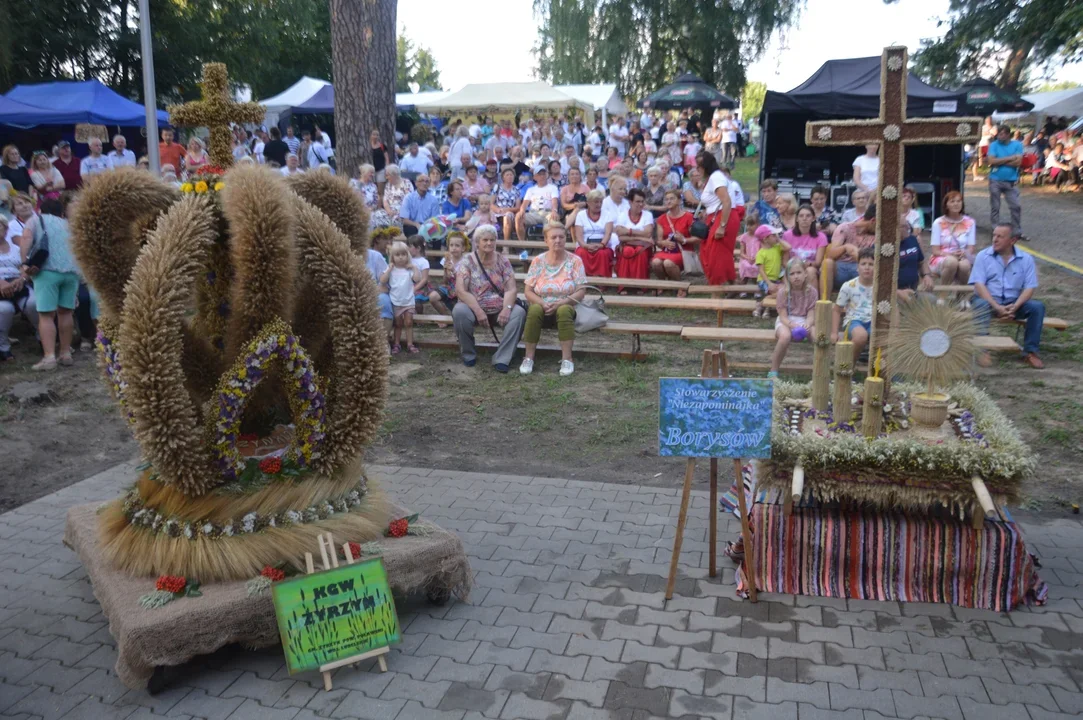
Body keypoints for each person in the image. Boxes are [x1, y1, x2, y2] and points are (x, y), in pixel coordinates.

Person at [969, 224, 1044, 369]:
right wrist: (997, 307)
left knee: (1037, 307)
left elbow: (1030, 287)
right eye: (994, 235)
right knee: (980, 304)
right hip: (989, 301)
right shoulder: (983, 256)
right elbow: (979, 285)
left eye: (1000, 237)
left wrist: (1015, 306)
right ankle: (982, 349)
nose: (994, 240)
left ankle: (1030, 351)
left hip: (1013, 303)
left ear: (1013, 240)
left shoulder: (1026, 259)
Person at [453, 224, 525, 371]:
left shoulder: (503, 261)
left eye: (492, 240)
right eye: (485, 240)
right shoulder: (467, 262)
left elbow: (511, 288)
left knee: (519, 313)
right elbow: (461, 291)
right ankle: (468, 354)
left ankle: (502, 358)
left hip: (499, 306)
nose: (489, 243)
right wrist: (478, 311)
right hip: (474, 307)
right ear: (477, 242)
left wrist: (507, 308)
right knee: (459, 311)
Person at [520, 222, 587, 377]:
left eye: (561, 237)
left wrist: (561, 302)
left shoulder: (575, 261)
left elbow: (581, 291)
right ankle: (528, 357)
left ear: (566, 239)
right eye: (553, 237)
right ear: (546, 240)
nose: (557, 240)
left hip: (567, 305)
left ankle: (567, 359)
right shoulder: (538, 261)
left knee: (563, 311)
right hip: (541, 306)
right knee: (534, 309)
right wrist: (542, 302)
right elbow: (528, 291)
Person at [20, 198, 79, 371]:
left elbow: (26, 239)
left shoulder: (36, 220)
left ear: (41, 210)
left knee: (46, 315)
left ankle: (49, 357)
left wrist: (24, 263)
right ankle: (66, 353)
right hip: (71, 272)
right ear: (61, 212)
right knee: (66, 312)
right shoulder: (68, 225)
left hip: (47, 271)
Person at [770, 258, 818, 377]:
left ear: (805, 274)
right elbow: (783, 316)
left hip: (804, 319)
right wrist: (791, 325)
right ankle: (773, 370)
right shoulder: (783, 292)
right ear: (787, 277)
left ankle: (819, 369)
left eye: (799, 272)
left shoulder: (812, 292)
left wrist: (808, 323)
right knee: (785, 336)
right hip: (786, 321)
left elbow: (812, 314)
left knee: (818, 337)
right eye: (792, 274)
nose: (796, 276)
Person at [696, 151, 739, 285]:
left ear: (706, 166)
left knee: (716, 255)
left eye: (699, 166)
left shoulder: (716, 177)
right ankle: (732, 285)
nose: (697, 169)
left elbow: (726, 201)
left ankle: (718, 291)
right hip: (716, 217)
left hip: (724, 217)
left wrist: (722, 226)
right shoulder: (712, 178)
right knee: (712, 253)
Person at [0, 215, 37, 361]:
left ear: (6, 229)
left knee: (33, 304)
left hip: (20, 285)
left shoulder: (17, 249)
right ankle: (3, 347)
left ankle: (42, 336)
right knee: (4, 310)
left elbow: (25, 267)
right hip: (1, 288)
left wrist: (21, 279)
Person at [832, 246, 876, 358]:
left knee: (881, 336)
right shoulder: (849, 286)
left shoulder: (880, 287)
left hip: (874, 321)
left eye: (871, 264)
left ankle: (878, 372)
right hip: (854, 320)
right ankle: (847, 366)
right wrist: (834, 332)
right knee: (861, 336)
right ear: (857, 267)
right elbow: (837, 310)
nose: (867, 267)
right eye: (863, 264)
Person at [379, 241, 421, 354]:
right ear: (392, 257)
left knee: (409, 322)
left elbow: (417, 279)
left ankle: (410, 344)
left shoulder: (409, 269)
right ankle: (396, 343)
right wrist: (389, 270)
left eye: (403, 254)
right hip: (396, 301)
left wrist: (415, 268)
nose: (401, 257)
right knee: (398, 324)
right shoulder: (391, 270)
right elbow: (382, 280)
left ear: (408, 255)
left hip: (408, 301)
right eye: (397, 255)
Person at [929, 191, 976, 288]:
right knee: (952, 262)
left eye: (959, 201)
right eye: (952, 201)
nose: (956, 204)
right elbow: (935, 251)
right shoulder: (938, 222)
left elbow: (971, 248)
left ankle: (962, 296)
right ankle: (943, 295)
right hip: (942, 256)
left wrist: (964, 252)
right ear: (946, 205)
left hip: (962, 255)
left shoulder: (970, 222)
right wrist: (950, 254)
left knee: (964, 266)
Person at [987, 125, 1024, 240]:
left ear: (1008, 134)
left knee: (1016, 206)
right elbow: (991, 161)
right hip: (995, 179)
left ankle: (1016, 231)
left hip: (1011, 180)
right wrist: (1010, 158)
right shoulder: (994, 145)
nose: (1000, 136)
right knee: (995, 206)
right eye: (999, 134)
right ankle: (995, 229)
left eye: (1002, 134)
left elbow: (1018, 163)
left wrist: (999, 161)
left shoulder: (1017, 145)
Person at [828, 204, 877, 289]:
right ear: (873, 221)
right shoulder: (845, 227)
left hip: (861, 268)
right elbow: (831, 254)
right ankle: (825, 300)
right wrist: (845, 247)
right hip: (840, 267)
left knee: (869, 265)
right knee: (828, 262)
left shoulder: (878, 235)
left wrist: (859, 254)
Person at [652, 189, 694, 289]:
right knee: (655, 262)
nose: (669, 201)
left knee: (668, 263)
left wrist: (683, 239)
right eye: (666, 199)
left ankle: (680, 287)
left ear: (679, 201)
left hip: (684, 251)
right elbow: (658, 241)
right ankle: (663, 284)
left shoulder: (688, 216)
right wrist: (663, 243)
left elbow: (697, 239)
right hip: (667, 251)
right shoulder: (661, 218)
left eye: (672, 199)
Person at [783, 205, 828, 292]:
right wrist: (796, 267)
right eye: (801, 216)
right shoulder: (787, 235)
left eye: (808, 216)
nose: (804, 218)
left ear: (813, 218)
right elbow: (784, 261)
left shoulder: (821, 237)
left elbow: (818, 262)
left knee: (810, 271)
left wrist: (807, 265)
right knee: (796, 273)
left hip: (811, 268)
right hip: (792, 268)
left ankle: (813, 303)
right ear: (796, 219)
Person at [572, 189, 615, 278]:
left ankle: (601, 281)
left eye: (600, 202)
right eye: (596, 202)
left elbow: (608, 233)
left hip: (603, 245)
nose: (599, 204)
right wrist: (585, 246)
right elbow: (579, 236)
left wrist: (601, 245)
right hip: (584, 244)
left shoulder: (607, 214)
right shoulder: (581, 215)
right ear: (588, 202)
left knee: (602, 254)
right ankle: (583, 279)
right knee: (581, 252)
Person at [753, 225, 790, 318]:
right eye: (773, 235)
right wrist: (769, 283)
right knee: (776, 291)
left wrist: (778, 239)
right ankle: (766, 309)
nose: (776, 237)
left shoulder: (777, 248)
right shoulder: (761, 253)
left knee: (785, 290)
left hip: (776, 279)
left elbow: (788, 247)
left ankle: (761, 303)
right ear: (766, 239)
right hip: (764, 280)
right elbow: (761, 270)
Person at [516, 165, 559, 241]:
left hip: (548, 213)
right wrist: (522, 210)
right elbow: (525, 204)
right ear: (535, 177)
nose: (542, 176)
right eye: (539, 174)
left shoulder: (553, 187)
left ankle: (548, 243)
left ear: (546, 175)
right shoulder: (531, 189)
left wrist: (554, 211)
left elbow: (554, 202)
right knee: (518, 218)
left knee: (553, 218)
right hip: (533, 213)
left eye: (543, 174)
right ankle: (522, 244)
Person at [429, 232, 467, 318]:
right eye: (451, 245)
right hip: (449, 286)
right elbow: (445, 281)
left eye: (457, 246)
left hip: (462, 287)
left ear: (463, 248)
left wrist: (453, 270)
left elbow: (465, 281)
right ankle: (445, 317)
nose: (454, 248)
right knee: (433, 296)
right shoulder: (446, 259)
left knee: (459, 310)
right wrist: (446, 271)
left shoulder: (466, 261)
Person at [736, 214, 762, 290]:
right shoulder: (744, 237)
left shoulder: (760, 237)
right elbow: (741, 253)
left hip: (758, 258)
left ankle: (756, 288)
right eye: (747, 225)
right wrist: (748, 258)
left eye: (751, 225)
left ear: (757, 225)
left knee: (756, 266)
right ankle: (743, 288)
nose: (749, 227)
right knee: (745, 265)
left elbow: (762, 250)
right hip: (746, 258)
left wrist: (756, 258)